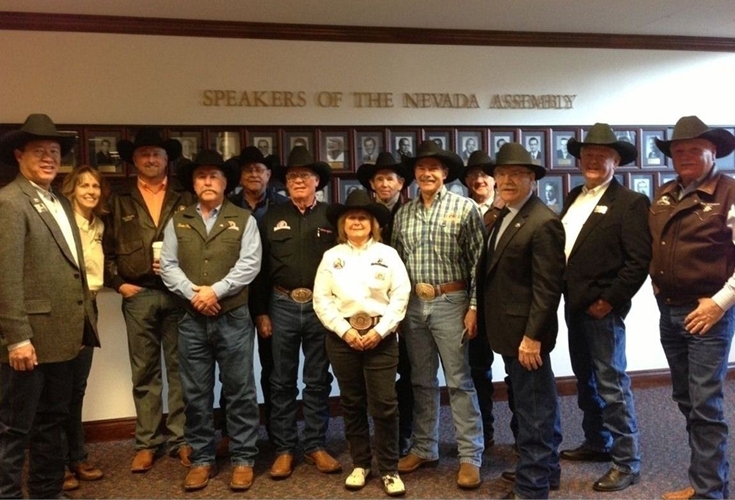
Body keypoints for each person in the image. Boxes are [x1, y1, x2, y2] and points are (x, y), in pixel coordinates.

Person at [0, 114, 99, 499]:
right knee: (14, 429)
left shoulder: (57, 199)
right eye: (39, 151)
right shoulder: (10, 202)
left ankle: (46, 493)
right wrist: (17, 338)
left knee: (52, 423)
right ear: (19, 154)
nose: (48, 158)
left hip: (63, 336)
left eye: (54, 152)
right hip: (29, 342)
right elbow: (5, 276)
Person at [160, 150, 262, 492]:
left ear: (225, 182)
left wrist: (214, 292)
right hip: (191, 319)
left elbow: (250, 265)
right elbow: (168, 264)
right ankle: (203, 459)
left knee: (240, 390)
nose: (207, 181)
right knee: (195, 392)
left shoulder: (244, 219)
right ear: (193, 182)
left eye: (214, 176)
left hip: (232, 317)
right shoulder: (179, 220)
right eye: (201, 176)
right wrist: (194, 295)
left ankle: (244, 458)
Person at [560, 123, 651, 492]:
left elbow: (638, 261)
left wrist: (609, 300)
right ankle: (597, 442)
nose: (593, 160)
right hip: (573, 305)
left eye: (602, 155)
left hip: (602, 310)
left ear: (616, 161)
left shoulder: (630, 203)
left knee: (612, 385)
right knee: (587, 381)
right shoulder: (573, 196)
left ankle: (627, 462)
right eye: (587, 155)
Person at [649, 116, 735, 500]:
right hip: (669, 312)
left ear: (712, 151)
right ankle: (707, 481)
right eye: (677, 151)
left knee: (704, 404)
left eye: (693, 149)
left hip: (707, 316)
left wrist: (719, 303)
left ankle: (709, 492)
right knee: (686, 399)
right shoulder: (666, 194)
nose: (684, 156)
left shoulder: (729, 193)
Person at [392, 140, 485, 489]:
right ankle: (425, 447)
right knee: (421, 380)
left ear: (445, 173)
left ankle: (470, 456)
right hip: (414, 304)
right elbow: (396, 268)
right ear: (414, 174)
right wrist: (399, 310)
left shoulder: (465, 209)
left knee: (459, 381)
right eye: (421, 168)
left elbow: (478, 265)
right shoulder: (403, 213)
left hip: (452, 301)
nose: (426, 173)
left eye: (434, 168)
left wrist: (474, 307)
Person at [103, 127, 195, 472]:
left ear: (167, 158)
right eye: (144, 154)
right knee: (144, 372)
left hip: (178, 294)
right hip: (138, 295)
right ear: (134, 160)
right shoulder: (119, 198)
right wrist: (117, 282)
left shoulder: (185, 197)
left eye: (157, 154)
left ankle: (181, 439)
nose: (151, 159)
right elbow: (105, 248)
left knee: (181, 370)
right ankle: (147, 442)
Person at [477, 142, 565, 499]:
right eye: (501, 173)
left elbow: (548, 289)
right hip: (507, 331)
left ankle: (532, 488)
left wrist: (533, 337)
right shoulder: (508, 214)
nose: (507, 179)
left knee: (534, 412)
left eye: (516, 174)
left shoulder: (543, 222)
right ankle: (546, 471)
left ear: (532, 179)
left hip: (526, 336)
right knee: (529, 404)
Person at [313, 190, 411, 497]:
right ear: (344, 223)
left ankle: (390, 469)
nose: (357, 222)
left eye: (363, 218)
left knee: (384, 404)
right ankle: (360, 464)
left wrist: (380, 331)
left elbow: (400, 295)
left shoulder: (388, 255)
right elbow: (321, 299)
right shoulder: (332, 257)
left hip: (381, 338)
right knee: (352, 402)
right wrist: (345, 331)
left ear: (373, 223)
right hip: (343, 340)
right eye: (352, 217)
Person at [250, 146, 341, 479]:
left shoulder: (334, 216)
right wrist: (260, 312)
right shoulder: (270, 216)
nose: (298, 181)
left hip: (321, 307)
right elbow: (259, 270)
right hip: (281, 305)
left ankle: (315, 445)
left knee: (317, 380)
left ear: (317, 181)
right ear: (285, 183)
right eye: (292, 177)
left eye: (305, 175)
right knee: (281, 380)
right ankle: (285, 449)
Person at [221, 146, 287, 452]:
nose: (254, 175)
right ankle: (230, 436)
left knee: (273, 370)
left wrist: (264, 310)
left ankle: (278, 436)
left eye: (259, 169)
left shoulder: (283, 208)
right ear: (239, 176)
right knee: (232, 372)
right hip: (230, 300)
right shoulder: (225, 206)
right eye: (248, 170)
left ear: (269, 174)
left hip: (270, 302)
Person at [357, 152, 413, 455]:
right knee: (372, 376)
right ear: (372, 184)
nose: (384, 183)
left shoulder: (410, 213)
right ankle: (375, 435)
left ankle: (404, 433)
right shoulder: (363, 215)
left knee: (406, 372)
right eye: (378, 179)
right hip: (370, 308)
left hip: (403, 305)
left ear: (401, 183)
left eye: (390, 178)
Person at [60, 166, 109, 492]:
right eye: (84, 185)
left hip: (88, 308)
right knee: (54, 394)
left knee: (76, 390)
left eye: (95, 185)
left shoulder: (98, 225)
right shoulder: (61, 223)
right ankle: (57, 463)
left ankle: (76, 456)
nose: (90, 190)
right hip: (63, 309)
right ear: (71, 189)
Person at [459, 149, 504, 448]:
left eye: (485, 174)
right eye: (473, 175)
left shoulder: (506, 209)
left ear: (495, 179)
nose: (479, 179)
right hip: (471, 303)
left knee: (517, 373)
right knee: (477, 372)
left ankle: (523, 437)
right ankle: (484, 434)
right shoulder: (460, 211)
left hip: (502, 301)